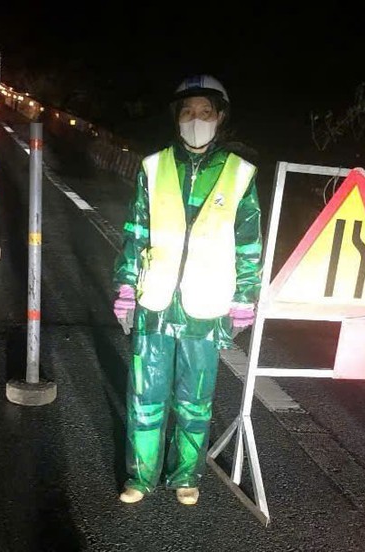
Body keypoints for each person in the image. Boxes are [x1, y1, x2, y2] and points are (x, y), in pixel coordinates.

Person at [112, 74, 263, 506]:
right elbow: (136, 230)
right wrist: (125, 285)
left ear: (220, 117)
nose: (196, 119)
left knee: (195, 401)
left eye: (205, 112)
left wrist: (244, 297)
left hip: (205, 304)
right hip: (155, 300)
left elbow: (249, 243)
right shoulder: (153, 167)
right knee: (145, 395)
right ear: (176, 117)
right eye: (188, 111)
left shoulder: (240, 174)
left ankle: (185, 476)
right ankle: (140, 477)